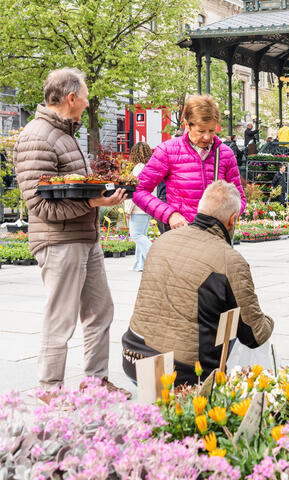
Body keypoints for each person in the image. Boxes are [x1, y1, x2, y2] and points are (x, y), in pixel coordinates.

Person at [13, 68, 130, 399]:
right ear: (71, 98)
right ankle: (50, 389)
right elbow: (40, 205)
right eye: (86, 94)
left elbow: (72, 190)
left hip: (83, 236)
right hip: (59, 241)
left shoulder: (64, 133)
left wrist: (100, 194)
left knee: (99, 310)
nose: (88, 100)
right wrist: (95, 201)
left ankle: (94, 382)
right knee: (61, 317)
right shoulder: (38, 137)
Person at [122, 181, 274, 385]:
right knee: (240, 335)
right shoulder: (230, 260)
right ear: (233, 219)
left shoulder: (163, 240)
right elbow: (256, 335)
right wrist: (268, 321)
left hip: (133, 357)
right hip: (182, 371)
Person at [133, 95, 246, 229]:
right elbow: (138, 190)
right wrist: (170, 215)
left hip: (216, 236)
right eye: (201, 131)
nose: (207, 137)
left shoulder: (225, 154)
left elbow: (239, 198)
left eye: (212, 130)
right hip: (183, 234)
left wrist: (228, 216)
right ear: (187, 125)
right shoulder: (167, 151)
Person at [124, 142, 154, 272]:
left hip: (137, 207)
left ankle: (153, 260)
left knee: (136, 235)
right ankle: (139, 264)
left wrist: (127, 209)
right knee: (142, 235)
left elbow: (132, 190)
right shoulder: (150, 167)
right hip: (147, 206)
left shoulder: (138, 168)